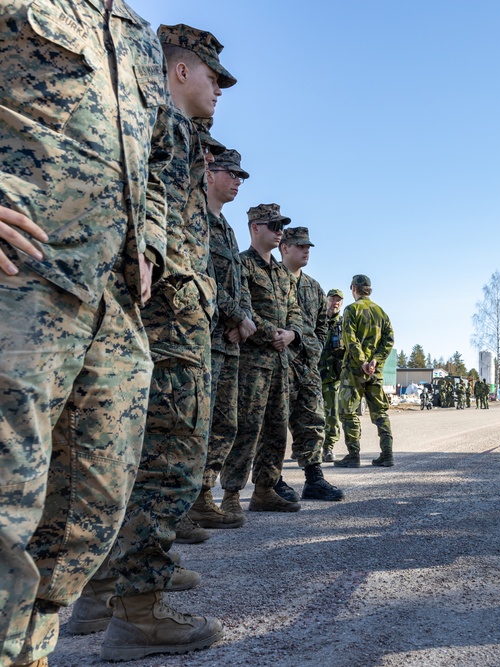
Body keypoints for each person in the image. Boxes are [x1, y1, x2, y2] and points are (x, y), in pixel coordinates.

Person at [0, 4, 168, 663]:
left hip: (107, 296)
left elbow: (150, 160)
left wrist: (148, 242)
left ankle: (28, 646)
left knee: (86, 509)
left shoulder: (136, 34)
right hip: (21, 281)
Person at [75, 24, 235, 661]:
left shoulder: (183, 135)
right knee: (166, 460)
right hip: (164, 322)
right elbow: (145, 210)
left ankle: (115, 586)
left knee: (154, 460)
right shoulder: (152, 124)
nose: (219, 91)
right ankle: (135, 613)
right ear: (179, 71)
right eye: (213, 77)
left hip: (178, 322)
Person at [220, 204, 303, 512]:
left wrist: (291, 334)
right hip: (251, 362)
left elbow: (295, 310)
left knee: (277, 427)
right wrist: (274, 334)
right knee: (247, 428)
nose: (279, 230)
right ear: (255, 228)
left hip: (280, 361)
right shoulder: (242, 265)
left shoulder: (282, 274)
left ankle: (265, 489)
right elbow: (244, 309)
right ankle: (230, 495)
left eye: (281, 224)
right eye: (273, 224)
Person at [188, 145, 254, 528]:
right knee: (196, 423)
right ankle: (184, 501)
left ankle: (202, 497)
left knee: (225, 424)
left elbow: (238, 281)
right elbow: (203, 276)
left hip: (227, 342)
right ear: (210, 174)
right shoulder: (196, 217)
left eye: (241, 177)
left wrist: (242, 318)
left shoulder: (226, 228)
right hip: (202, 338)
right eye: (232, 173)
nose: (237, 182)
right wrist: (236, 315)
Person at [276, 227, 344, 501]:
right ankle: (273, 480)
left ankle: (313, 478)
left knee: (313, 421)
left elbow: (321, 328)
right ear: (285, 247)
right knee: (274, 425)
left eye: (309, 247)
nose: (306, 250)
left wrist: (309, 352)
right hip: (277, 365)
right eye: (300, 245)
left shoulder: (313, 287)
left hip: (306, 367)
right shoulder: (273, 279)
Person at [336, 275, 395, 467]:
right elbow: (389, 341)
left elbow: (350, 338)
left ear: (354, 288)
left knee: (348, 411)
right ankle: (387, 454)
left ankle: (353, 455)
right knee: (380, 412)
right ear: (369, 289)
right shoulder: (381, 312)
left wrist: (362, 362)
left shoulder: (351, 310)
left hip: (354, 371)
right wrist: (375, 362)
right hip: (375, 372)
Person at [321, 288, 346, 462]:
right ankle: (306, 446)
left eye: (338, 300)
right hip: (313, 376)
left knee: (331, 414)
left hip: (332, 378)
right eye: (332, 299)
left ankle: (328, 447)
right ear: (326, 300)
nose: (335, 302)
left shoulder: (344, 324)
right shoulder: (317, 320)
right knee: (306, 414)